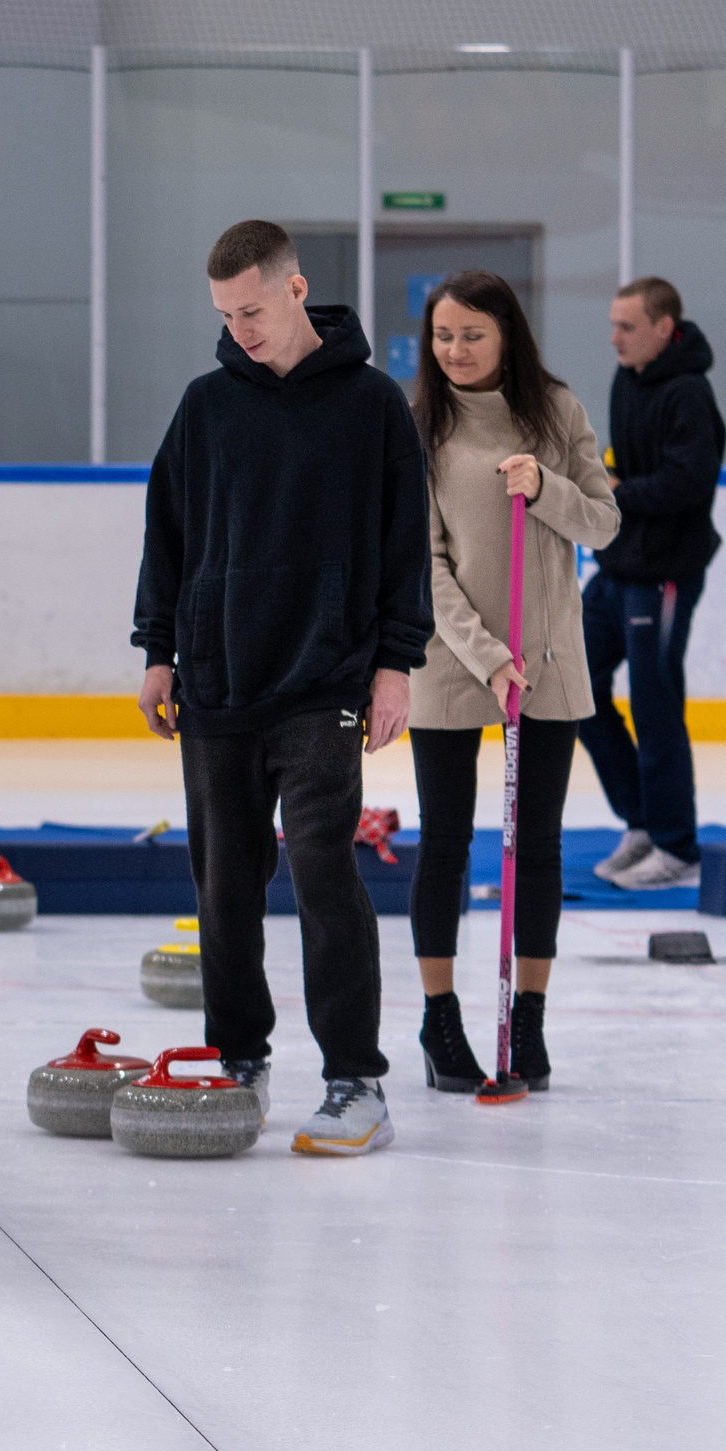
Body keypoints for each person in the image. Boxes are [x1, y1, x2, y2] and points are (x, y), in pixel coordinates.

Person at [131, 220, 432, 1158]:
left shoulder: (374, 405)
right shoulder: (205, 405)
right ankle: (239, 1058)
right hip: (218, 680)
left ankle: (355, 1078)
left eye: (252, 310)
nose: (239, 329)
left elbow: (401, 543)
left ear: (296, 291)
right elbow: (168, 534)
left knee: (320, 868)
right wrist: (158, 649)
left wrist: (395, 662)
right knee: (223, 882)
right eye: (225, 315)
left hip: (325, 678)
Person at [405, 271, 618, 1095]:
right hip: (456, 663)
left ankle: (526, 1015)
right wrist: (487, 656)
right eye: (443, 336)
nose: (455, 351)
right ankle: (441, 1018)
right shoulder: (419, 423)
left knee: (537, 847)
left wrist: (547, 487)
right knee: (446, 842)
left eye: (472, 335)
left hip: (550, 659)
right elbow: (423, 564)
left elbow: (603, 521)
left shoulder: (555, 411)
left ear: (507, 337)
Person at [580, 277, 726, 892]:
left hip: (664, 573)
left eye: (626, 326)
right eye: (612, 324)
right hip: (618, 565)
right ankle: (641, 821)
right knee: (576, 685)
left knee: (655, 702)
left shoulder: (690, 394)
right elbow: (625, 463)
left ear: (664, 328)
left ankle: (676, 846)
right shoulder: (626, 381)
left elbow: (690, 482)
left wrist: (619, 494)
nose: (613, 337)